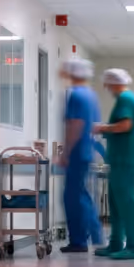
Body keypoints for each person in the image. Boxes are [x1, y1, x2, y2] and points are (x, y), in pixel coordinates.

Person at [93, 69, 134, 260]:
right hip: (119, 160)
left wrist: (101, 127)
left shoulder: (126, 99)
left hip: (125, 160)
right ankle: (115, 243)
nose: (107, 88)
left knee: (127, 204)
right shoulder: (127, 99)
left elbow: (125, 125)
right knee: (115, 204)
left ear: (113, 83)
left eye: (107, 85)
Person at [57, 58, 100, 253]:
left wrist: (65, 152)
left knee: (72, 197)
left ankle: (79, 241)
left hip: (77, 152)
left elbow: (76, 125)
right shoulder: (91, 95)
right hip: (87, 151)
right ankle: (97, 235)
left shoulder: (75, 95)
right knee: (82, 195)